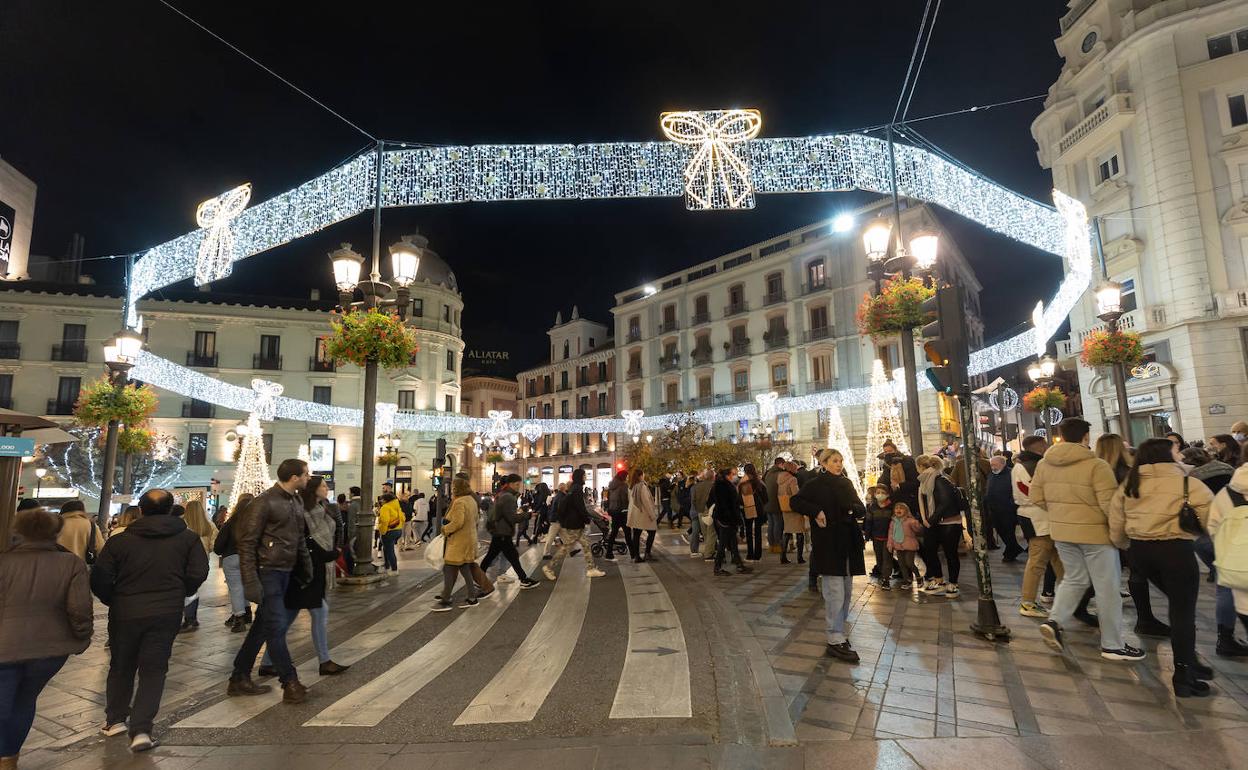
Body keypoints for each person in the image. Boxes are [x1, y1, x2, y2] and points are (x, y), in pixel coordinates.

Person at [90, 489, 209, 752]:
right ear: (170, 509)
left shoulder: (120, 541)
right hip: (166, 611)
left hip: (125, 611)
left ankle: (115, 720)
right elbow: (198, 572)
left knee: (121, 665)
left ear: (141, 510)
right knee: (154, 669)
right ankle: (142, 729)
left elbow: (99, 578)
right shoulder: (188, 539)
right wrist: (181, 592)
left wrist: (114, 599)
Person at [1031, 418, 1144, 662]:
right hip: (1095, 535)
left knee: (1074, 579)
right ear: (1085, 437)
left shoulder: (1044, 464)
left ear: (1061, 436)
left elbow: (1036, 496)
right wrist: (1121, 535)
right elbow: (1109, 505)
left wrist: (1061, 514)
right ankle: (1112, 644)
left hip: (1062, 532)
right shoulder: (1096, 465)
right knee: (1107, 588)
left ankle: (1054, 621)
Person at [1109, 438, 1215, 697]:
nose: (1180, 455)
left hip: (1140, 551)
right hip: (1175, 551)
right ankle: (1183, 675)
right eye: (1176, 451)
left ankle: (1190, 661)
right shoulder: (1188, 483)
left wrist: (1125, 545)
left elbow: (1116, 522)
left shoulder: (1130, 483)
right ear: (1168, 455)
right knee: (1182, 612)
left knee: (1178, 604)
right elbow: (1212, 520)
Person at [0, 508, 93, 766]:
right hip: (50, 649)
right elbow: (79, 609)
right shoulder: (71, 563)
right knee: (24, 700)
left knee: (4, 704)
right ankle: (8, 759)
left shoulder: (4, 561)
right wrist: (82, 637)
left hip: (4, 647)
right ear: (55, 532)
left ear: (18, 531)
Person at [228, 459, 313, 704]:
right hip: (268, 572)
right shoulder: (264, 502)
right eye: (305, 474)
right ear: (294, 477)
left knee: (263, 626)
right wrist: (250, 582)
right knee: (276, 626)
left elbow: (299, 538)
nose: (308, 478)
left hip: (286, 571)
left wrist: (305, 566)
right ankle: (290, 682)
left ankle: (239, 677)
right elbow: (247, 543)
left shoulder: (295, 500)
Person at [259, 475, 349, 677]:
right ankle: (324, 661)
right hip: (304, 571)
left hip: (315, 570)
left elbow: (332, 531)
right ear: (313, 489)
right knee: (319, 612)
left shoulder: (322, 508)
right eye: (323, 486)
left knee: (288, 618)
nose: (326, 488)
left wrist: (332, 551)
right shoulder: (302, 512)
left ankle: (267, 662)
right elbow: (305, 543)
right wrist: (330, 554)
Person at [790, 448, 867, 662]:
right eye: (834, 461)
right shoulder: (815, 484)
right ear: (823, 463)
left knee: (847, 591)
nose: (838, 464)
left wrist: (851, 510)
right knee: (835, 592)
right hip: (829, 543)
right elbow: (796, 502)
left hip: (849, 542)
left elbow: (860, 508)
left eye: (840, 460)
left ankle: (839, 632)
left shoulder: (846, 483)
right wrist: (816, 511)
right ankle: (834, 637)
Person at [1013, 436, 1063, 618]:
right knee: (1037, 561)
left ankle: (1070, 598)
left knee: (1058, 559)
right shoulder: (1032, 466)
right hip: (1039, 518)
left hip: (1039, 517)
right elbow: (1034, 493)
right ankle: (1028, 602)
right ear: (1040, 447)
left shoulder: (1024, 465)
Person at [1208, 461, 1248, 656]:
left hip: (1235, 564)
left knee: (1225, 591)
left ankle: (1225, 638)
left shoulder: (1227, 491)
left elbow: (1213, 526)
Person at [543, 469, 606, 581]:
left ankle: (591, 569)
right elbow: (580, 507)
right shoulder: (577, 489)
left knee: (585, 544)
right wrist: (587, 519)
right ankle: (549, 567)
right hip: (575, 523)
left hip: (574, 522)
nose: (585, 477)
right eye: (584, 475)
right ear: (580, 476)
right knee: (567, 547)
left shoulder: (574, 488)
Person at [916, 454, 964, 597]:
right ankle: (938, 579)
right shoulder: (924, 481)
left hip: (948, 522)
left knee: (950, 554)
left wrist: (931, 520)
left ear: (921, 466)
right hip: (932, 523)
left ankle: (953, 583)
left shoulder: (940, 480)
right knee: (930, 551)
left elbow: (945, 502)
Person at [480, 474, 539, 589]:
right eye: (517, 484)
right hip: (503, 532)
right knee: (506, 556)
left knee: (499, 556)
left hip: (500, 531)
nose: (518, 487)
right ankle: (523, 579)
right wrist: (528, 515)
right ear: (510, 484)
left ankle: (523, 579)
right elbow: (512, 518)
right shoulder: (508, 497)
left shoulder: (503, 494)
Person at [432, 478, 482, 611]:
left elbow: (458, 522)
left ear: (456, 489)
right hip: (469, 539)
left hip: (459, 542)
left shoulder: (459, 502)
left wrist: (445, 529)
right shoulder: (471, 500)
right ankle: (471, 597)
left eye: (453, 487)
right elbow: (476, 519)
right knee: (465, 568)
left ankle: (446, 599)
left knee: (448, 568)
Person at [213, 494, 254, 632]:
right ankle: (247, 612)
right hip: (249, 558)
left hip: (231, 557)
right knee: (244, 586)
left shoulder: (230, 523)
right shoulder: (256, 522)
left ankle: (239, 617)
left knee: (236, 588)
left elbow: (218, 545)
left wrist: (221, 551)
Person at [178, 500, 217, 633]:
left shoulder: (182, 524)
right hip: (202, 562)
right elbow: (213, 546)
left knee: (185, 590)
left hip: (184, 562)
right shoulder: (209, 526)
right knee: (193, 590)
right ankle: (191, 617)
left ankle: (188, 618)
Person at [709, 467, 751, 576]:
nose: (735, 476)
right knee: (723, 543)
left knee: (733, 543)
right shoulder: (723, 486)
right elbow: (727, 504)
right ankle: (717, 567)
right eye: (733, 474)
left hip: (726, 518)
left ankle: (739, 565)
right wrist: (732, 517)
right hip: (726, 519)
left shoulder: (720, 485)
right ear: (728, 475)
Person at [985, 455, 1024, 562]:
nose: (993, 467)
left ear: (1002, 464)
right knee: (1000, 530)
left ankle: (1010, 553)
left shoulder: (1011, 473)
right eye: (991, 465)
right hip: (994, 509)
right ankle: (1014, 549)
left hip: (1008, 509)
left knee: (1008, 532)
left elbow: (1016, 490)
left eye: (995, 465)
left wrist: (1011, 504)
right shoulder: (992, 474)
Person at [863, 485, 894, 588]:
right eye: (878, 492)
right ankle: (882, 574)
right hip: (876, 537)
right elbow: (868, 523)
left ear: (887, 494)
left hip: (889, 538)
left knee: (887, 558)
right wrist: (867, 537)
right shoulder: (872, 508)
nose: (880, 495)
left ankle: (886, 578)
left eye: (883, 492)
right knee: (879, 558)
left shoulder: (892, 507)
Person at [887, 502, 923, 590]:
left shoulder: (910, 521)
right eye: (896, 508)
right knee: (902, 564)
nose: (898, 510)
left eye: (901, 508)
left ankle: (919, 578)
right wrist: (890, 544)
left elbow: (918, 530)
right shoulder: (893, 522)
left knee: (909, 563)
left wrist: (916, 524)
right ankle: (907, 580)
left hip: (909, 545)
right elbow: (891, 534)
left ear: (906, 511)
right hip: (898, 545)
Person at [626, 469, 658, 563]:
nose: (644, 476)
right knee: (652, 531)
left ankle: (637, 556)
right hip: (643, 514)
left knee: (636, 534)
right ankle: (647, 553)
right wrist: (652, 515)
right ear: (640, 476)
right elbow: (646, 502)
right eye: (643, 475)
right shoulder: (642, 486)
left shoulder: (632, 487)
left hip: (635, 515)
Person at [738, 463, 768, 562]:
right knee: (758, 531)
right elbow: (766, 497)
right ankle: (758, 555)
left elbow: (738, 498)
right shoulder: (759, 482)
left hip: (747, 508)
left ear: (745, 471)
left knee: (749, 531)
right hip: (759, 508)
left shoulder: (742, 483)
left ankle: (750, 554)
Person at [779, 462, 804, 564]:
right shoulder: (792, 479)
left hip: (785, 507)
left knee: (787, 531)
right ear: (791, 469)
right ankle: (800, 558)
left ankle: (783, 556)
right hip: (794, 508)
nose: (796, 469)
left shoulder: (780, 479)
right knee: (800, 532)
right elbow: (796, 494)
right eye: (795, 468)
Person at [604, 470, 630, 560]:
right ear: (623, 477)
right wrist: (628, 509)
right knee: (628, 534)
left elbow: (608, 499)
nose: (627, 478)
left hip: (614, 512)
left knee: (613, 533)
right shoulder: (623, 485)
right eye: (627, 477)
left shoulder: (611, 485)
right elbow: (625, 500)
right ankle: (634, 555)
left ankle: (609, 553)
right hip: (622, 512)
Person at [376, 492, 405, 572]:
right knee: (387, 549)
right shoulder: (397, 506)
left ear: (386, 500)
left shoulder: (385, 507)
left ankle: (394, 569)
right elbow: (403, 518)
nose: (381, 501)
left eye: (382, 499)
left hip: (389, 531)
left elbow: (384, 521)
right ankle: (387, 565)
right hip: (398, 530)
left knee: (390, 551)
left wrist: (383, 531)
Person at [762, 457, 786, 554]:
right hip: (776, 502)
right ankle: (777, 545)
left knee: (771, 524)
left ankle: (771, 545)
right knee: (778, 524)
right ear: (780, 464)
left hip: (767, 503)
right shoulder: (780, 474)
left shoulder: (768, 473)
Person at [689, 470, 712, 558]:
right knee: (707, 532)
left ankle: (694, 551)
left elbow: (692, 500)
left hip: (694, 511)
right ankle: (709, 551)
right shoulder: (707, 486)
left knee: (695, 531)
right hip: (702, 511)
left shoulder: (693, 487)